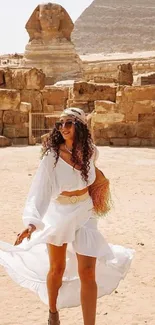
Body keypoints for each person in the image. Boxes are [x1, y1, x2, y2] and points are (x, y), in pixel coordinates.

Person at [0, 108, 134, 325]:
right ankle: (53, 312)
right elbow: (40, 190)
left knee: (88, 272)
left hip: (85, 211)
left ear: (80, 126)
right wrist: (32, 223)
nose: (63, 128)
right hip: (58, 213)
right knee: (57, 269)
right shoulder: (51, 158)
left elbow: (92, 176)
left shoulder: (91, 152)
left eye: (69, 123)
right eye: (60, 124)